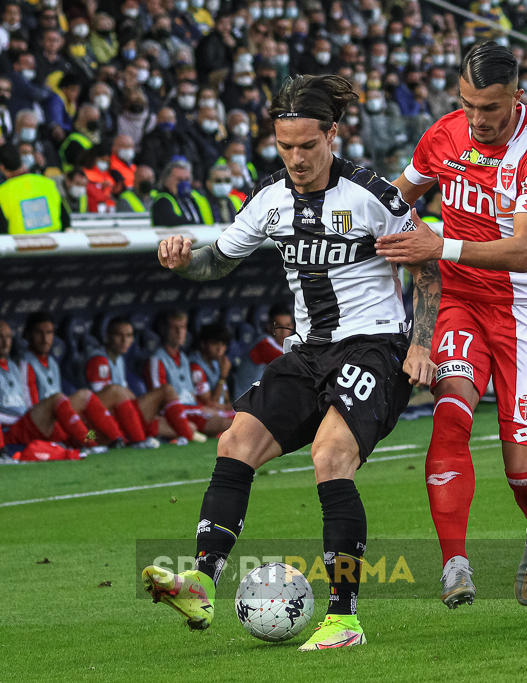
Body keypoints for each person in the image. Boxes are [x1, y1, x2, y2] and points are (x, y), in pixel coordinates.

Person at [142, 74, 441, 651]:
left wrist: (422, 344)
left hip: (374, 347)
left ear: (333, 133)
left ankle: (344, 618)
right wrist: (182, 261)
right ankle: (201, 582)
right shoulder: (270, 198)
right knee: (236, 443)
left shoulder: (373, 195)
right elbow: (217, 262)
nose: (297, 158)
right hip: (306, 352)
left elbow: (427, 266)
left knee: (330, 456)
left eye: (308, 145)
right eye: (285, 147)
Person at [377, 41, 527, 610]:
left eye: (489, 108)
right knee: (450, 413)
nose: (477, 119)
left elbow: (525, 249)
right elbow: (396, 197)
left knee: (526, 473)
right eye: (467, 105)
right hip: (461, 298)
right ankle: (454, 565)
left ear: (518, 97)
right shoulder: (443, 135)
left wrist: (441, 242)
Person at [0, 319, 96, 455]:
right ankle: (89, 443)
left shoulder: (13, 365)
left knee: (86, 404)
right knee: (58, 400)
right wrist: (19, 417)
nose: (6, 342)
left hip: (26, 423)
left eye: (8, 337)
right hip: (10, 429)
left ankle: (94, 440)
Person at [84, 316, 206, 446]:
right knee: (166, 390)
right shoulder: (99, 360)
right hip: (105, 423)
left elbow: (125, 393)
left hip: (126, 417)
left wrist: (148, 410)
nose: (125, 340)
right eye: (119, 335)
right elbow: (102, 404)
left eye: (129, 335)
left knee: (190, 426)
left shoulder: (119, 359)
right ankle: (140, 439)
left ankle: (168, 436)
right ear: (107, 337)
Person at [19, 312, 127, 447]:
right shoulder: (25, 363)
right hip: (39, 420)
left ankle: (111, 439)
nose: (45, 338)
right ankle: (88, 443)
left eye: (49, 333)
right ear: (28, 335)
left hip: (57, 417)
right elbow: (31, 407)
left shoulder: (52, 362)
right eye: (39, 333)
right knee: (82, 397)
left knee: (93, 427)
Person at [145, 311, 235, 438]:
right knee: (231, 423)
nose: (179, 332)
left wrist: (210, 408)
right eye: (174, 327)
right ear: (164, 330)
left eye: (182, 327)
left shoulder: (184, 358)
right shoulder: (157, 359)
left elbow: (192, 395)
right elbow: (158, 398)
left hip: (194, 408)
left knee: (240, 415)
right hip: (179, 410)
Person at [0, 143, 70, 234]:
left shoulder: (1, 193)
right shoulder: (48, 184)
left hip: (20, 246)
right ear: (21, 161)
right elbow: (66, 221)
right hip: (53, 244)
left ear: (2, 168)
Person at [233, 303, 294, 397]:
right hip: (245, 405)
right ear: (269, 326)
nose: (284, 331)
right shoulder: (263, 344)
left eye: (287, 325)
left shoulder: (286, 345)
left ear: (292, 327)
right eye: (279, 326)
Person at [151, 159, 213, 226]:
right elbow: (172, 222)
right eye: (179, 180)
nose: (184, 183)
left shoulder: (195, 198)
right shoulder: (162, 201)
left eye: (187, 179)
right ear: (166, 181)